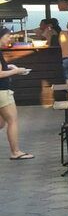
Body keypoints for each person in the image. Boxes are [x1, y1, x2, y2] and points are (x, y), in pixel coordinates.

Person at [0, 28, 33, 159]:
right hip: (2, 92)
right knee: (12, 120)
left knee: (1, 123)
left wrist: (9, 67)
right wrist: (16, 71)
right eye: (7, 36)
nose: (10, 38)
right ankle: (15, 152)